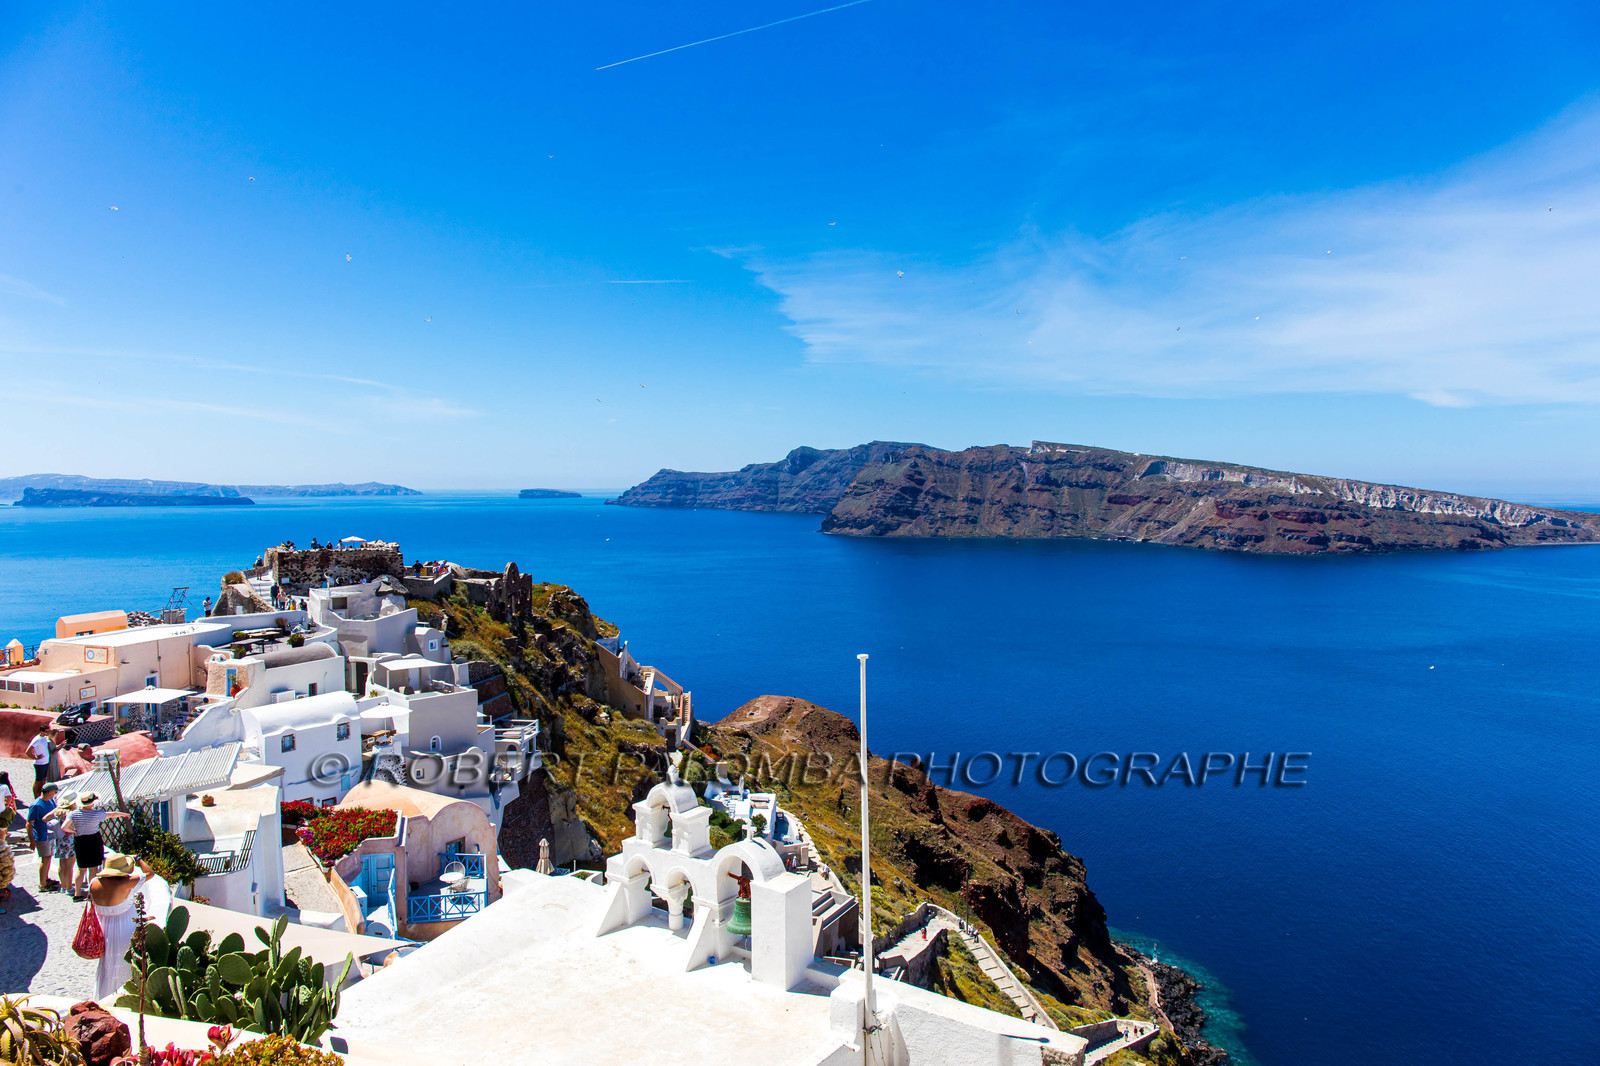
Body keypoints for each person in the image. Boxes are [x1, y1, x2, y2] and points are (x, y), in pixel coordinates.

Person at [89, 853, 167, 1002]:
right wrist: (138, 859)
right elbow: (149, 873)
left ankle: (105, 1000)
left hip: (105, 932)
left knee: (107, 967)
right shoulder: (127, 883)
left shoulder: (94, 883)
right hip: (125, 931)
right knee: (126, 966)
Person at [63, 792, 131, 900]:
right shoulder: (96, 814)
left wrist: (74, 831)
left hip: (80, 841)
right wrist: (124, 814)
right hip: (93, 840)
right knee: (93, 869)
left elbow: (64, 827)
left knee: (81, 869)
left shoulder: (74, 814)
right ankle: (92, 893)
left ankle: (77, 894)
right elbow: (112, 814)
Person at [26, 782, 60, 892]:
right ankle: (42, 884)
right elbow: (29, 823)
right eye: (54, 791)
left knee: (48, 857)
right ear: (49, 792)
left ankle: (45, 878)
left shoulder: (50, 801)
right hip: (41, 835)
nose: (55, 793)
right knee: (45, 859)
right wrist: (32, 840)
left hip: (50, 834)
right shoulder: (36, 805)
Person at [28, 724, 51, 798]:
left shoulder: (44, 738)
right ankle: (36, 796)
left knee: (43, 780)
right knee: (38, 781)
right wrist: (35, 758)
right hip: (40, 764)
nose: (48, 733)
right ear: (41, 731)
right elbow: (28, 751)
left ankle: (40, 795)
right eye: (46, 732)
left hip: (45, 762)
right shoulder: (37, 739)